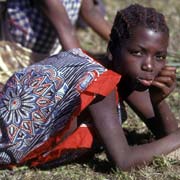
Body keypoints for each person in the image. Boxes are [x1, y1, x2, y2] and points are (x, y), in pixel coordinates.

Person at [0, 4, 179, 171]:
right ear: (111, 50)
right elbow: (123, 161)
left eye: (159, 56)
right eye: (137, 52)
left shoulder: (126, 75)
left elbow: (166, 134)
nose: (149, 65)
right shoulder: (99, 81)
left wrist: (158, 101)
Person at [0, 0, 111, 79]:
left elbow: (90, 11)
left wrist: (118, 41)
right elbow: (65, 28)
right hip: (14, 55)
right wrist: (87, 74)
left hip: (51, 49)